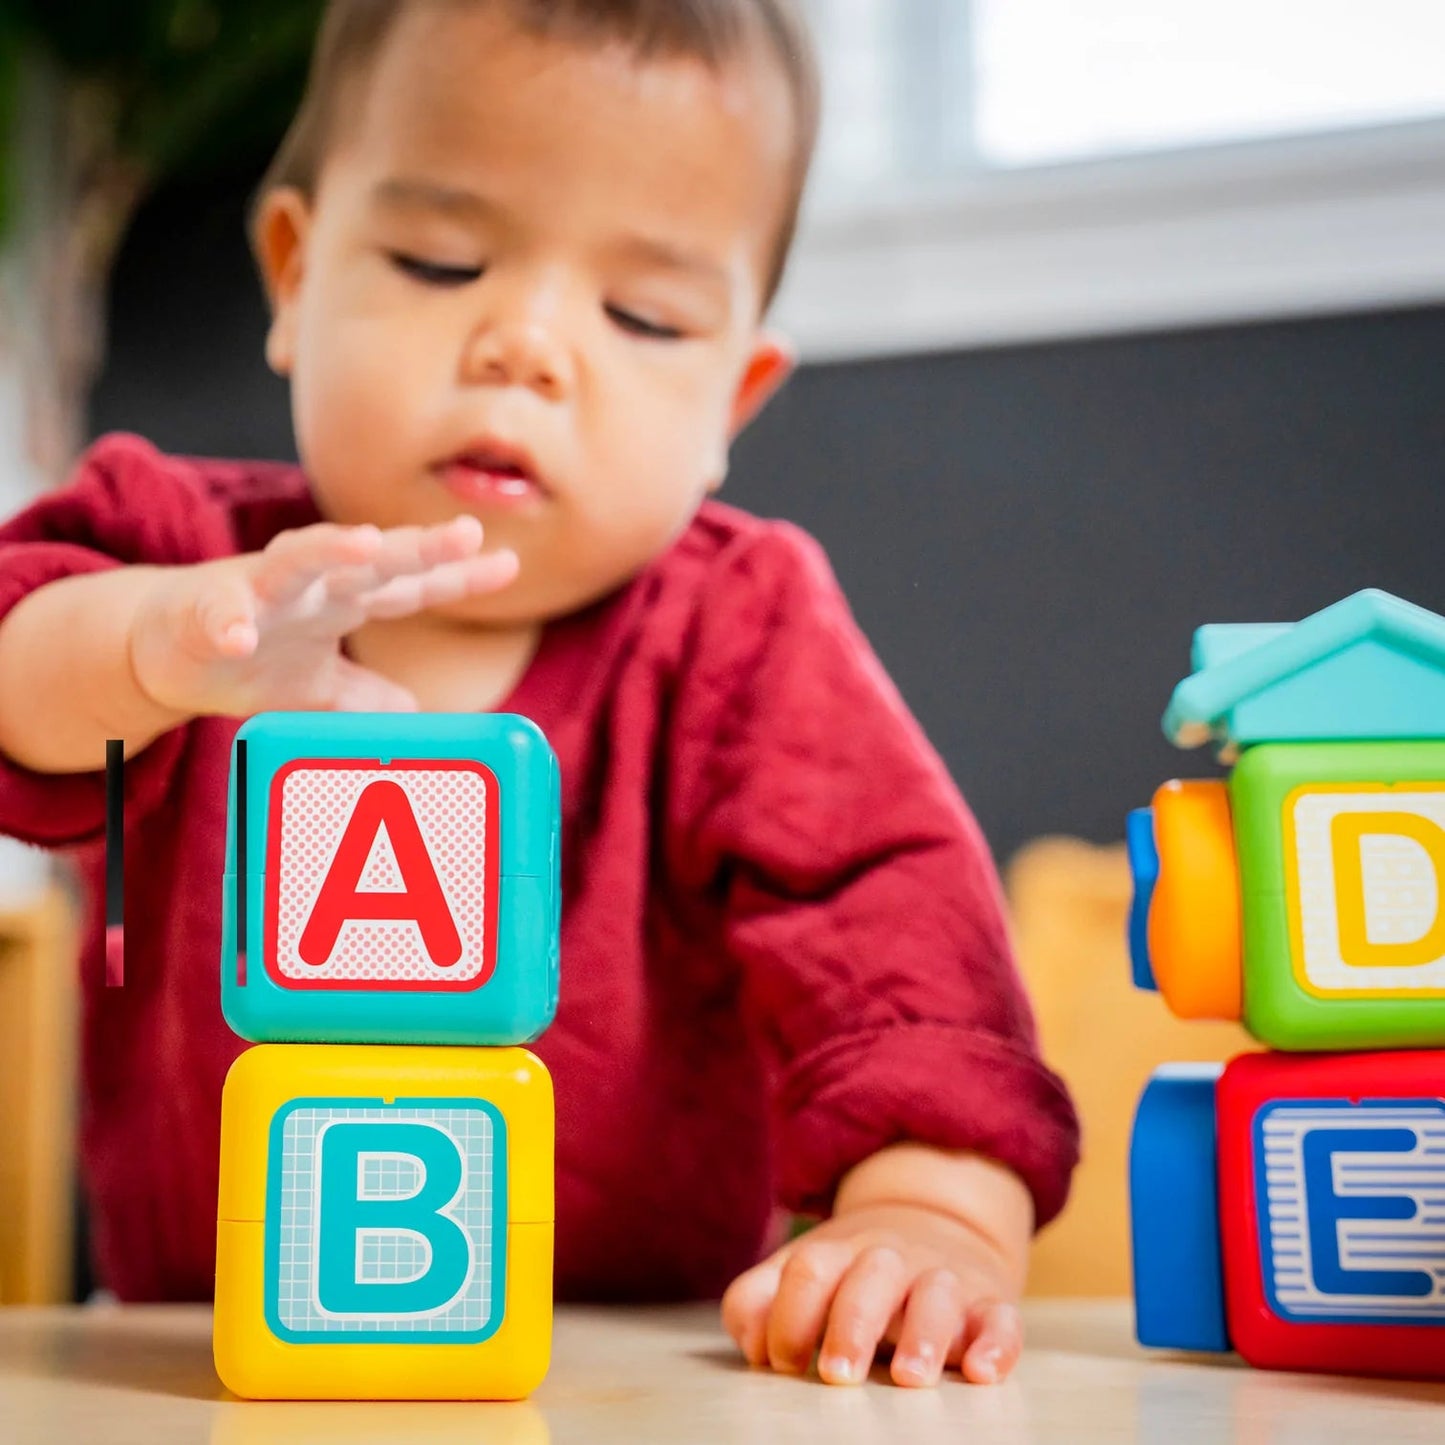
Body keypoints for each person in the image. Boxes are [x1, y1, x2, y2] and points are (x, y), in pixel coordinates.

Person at [0, 0, 1077, 1389]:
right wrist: (153, 646)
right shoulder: (176, 554)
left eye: (642, 315)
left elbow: (897, 932)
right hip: (193, 1363)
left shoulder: (738, 633)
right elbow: (21, 664)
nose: (525, 344)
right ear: (295, 275)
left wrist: (930, 1215)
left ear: (731, 402)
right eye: (440, 261)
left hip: (635, 1372)